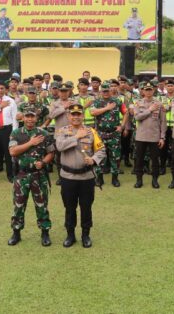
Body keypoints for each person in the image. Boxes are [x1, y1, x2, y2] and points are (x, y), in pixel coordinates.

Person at [56, 104, 105, 248]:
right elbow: (59, 146)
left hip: (86, 178)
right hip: (68, 177)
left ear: (83, 116)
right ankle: (70, 235)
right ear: (68, 116)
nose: (76, 117)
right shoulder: (62, 131)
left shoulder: (91, 131)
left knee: (86, 207)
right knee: (69, 207)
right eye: (73, 114)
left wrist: (94, 159)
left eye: (79, 114)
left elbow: (101, 150)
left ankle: (85, 235)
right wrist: (76, 137)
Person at [7, 109, 55, 247]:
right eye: (27, 116)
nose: (29, 119)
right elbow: (12, 151)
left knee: (42, 205)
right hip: (21, 175)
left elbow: (51, 153)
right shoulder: (16, 133)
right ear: (22, 118)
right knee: (18, 205)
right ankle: (16, 232)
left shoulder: (44, 134)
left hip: (39, 176)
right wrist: (31, 143)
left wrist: (44, 162)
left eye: (32, 117)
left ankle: (45, 232)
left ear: (36, 118)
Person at [131, 82, 166, 189]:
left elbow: (163, 121)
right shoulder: (138, 103)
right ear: (142, 91)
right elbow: (137, 117)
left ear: (153, 90)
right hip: (141, 136)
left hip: (154, 136)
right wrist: (150, 110)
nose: (148, 92)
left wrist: (162, 137)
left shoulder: (159, 104)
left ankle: (155, 180)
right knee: (139, 159)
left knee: (155, 160)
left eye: (150, 89)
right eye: (146, 90)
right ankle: (139, 180)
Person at [90, 82, 125, 187]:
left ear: (111, 91)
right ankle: (99, 178)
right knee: (100, 156)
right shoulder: (96, 102)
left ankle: (115, 178)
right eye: (104, 91)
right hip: (100, 134)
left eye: (107, 91)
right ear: (101, 91)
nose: (105, 93)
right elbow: (93, 112)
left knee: (115, 157)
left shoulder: (117, 101)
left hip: (114, 134)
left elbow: (126, 112)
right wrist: (107, 108)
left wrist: (122, 126)